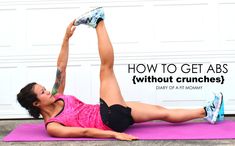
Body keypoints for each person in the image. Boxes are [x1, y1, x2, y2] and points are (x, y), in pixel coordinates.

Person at [17, 7, 224, 141]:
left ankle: (208, 111)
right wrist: (116, 135)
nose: (47, 90)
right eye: (42, 92)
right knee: (106, 68)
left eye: (44, 88)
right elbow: (84, 132)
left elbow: (61, 66)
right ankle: (98, 21)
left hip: (112, 113)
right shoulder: (52, 126)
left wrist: (65, 38)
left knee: (162, 111)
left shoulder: (57, 94)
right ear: (36, 103)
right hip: (109, 118)